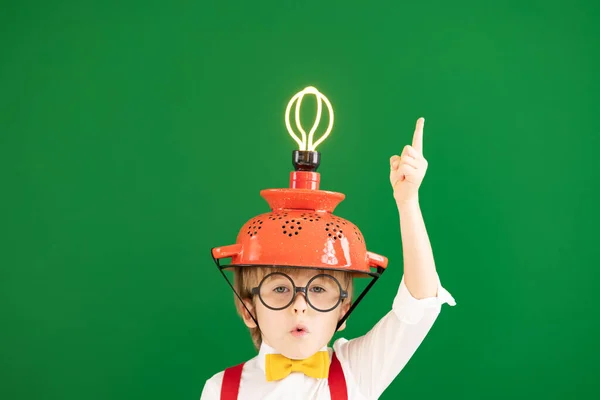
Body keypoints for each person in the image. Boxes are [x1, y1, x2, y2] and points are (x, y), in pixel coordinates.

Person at [200, 118, 456, 400]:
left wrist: (408, 203)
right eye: (280, 288)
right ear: (248, 309)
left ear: (343, 311)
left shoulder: (355, 372)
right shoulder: (221, 390)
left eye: (319, 289)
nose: (299, 306)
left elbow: (419, 305)